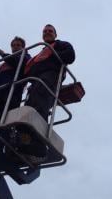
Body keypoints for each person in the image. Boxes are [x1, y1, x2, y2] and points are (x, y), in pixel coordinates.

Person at [19, 24, 75, 159]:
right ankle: (25, 142)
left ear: (55, 35)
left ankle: (39, 144)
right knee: (28, 109)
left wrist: (50, 59)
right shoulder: (40, 54)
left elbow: (70, 55)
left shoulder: (60, 45)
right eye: (45, 31)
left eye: (50, 31)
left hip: (51, 78)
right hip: (36, 82)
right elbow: (28, 71)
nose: (47, 33)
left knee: (40, 105)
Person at [0, 36, 31, 152]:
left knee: (5, 126)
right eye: (13, 45)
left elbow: (18, 62)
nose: (15, 47)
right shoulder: (3, 64)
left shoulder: (25, 57)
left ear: (23, 47)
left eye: (18, 45)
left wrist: (0, 52)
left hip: (12, 96)